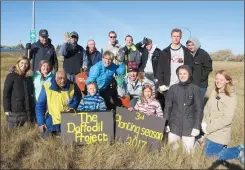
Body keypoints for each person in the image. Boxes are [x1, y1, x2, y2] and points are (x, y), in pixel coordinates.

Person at [201, 70, 244, 164]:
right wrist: (204, 122)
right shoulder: (215, 91)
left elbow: (227, 120)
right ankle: (223, 148)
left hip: (219, 133)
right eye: (216, 79)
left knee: (210, 157)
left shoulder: (231, 97)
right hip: (209, 130)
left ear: (227, 81)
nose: (218, 81)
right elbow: (207, 107)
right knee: (204, 153)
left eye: (221, 79)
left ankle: (238, 150)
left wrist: (208, 128)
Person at [164, 65, 203, 153]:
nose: (182, 75)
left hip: (189, 126)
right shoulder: (173, 88)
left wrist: (197, 126)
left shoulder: (195, 89)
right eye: (180, 74)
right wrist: (166, 123)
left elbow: (199, 109)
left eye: (185, 73)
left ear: (189, 74)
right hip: (174, 125)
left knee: (188, 152)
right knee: (172, 151)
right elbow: (168, 107)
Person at [36, 70, 81, 138]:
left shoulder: (72, 87)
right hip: (50, 121)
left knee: (69, 140)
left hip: (66, 121)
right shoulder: (46, 88)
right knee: (46, 139)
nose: (62, 80)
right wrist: (41, 122)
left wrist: (70, 107)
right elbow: (40, 106)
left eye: (64, 78)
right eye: (60, 78)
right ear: (55, 78)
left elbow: (76, 101)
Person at [3, 56, 35, 129]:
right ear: (18, 63)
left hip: (25, 110)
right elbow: (6, 93)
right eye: (22, 63)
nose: (24, 65)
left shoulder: (28, 78)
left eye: (26, 63)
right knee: (12, 132)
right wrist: (6, 109)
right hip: (14, 110)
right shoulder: (11, 76)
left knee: (25, 132)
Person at [157, 28, 193, 93]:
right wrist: (161, 84)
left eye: (178, 36)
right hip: (168, 87)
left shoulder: (186, 52)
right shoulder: (164, 52)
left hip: (183, 86)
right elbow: (160, 69)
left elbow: (190, 69)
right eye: (174, 36)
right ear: (171, 37)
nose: (176, 38)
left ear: (181, 37)